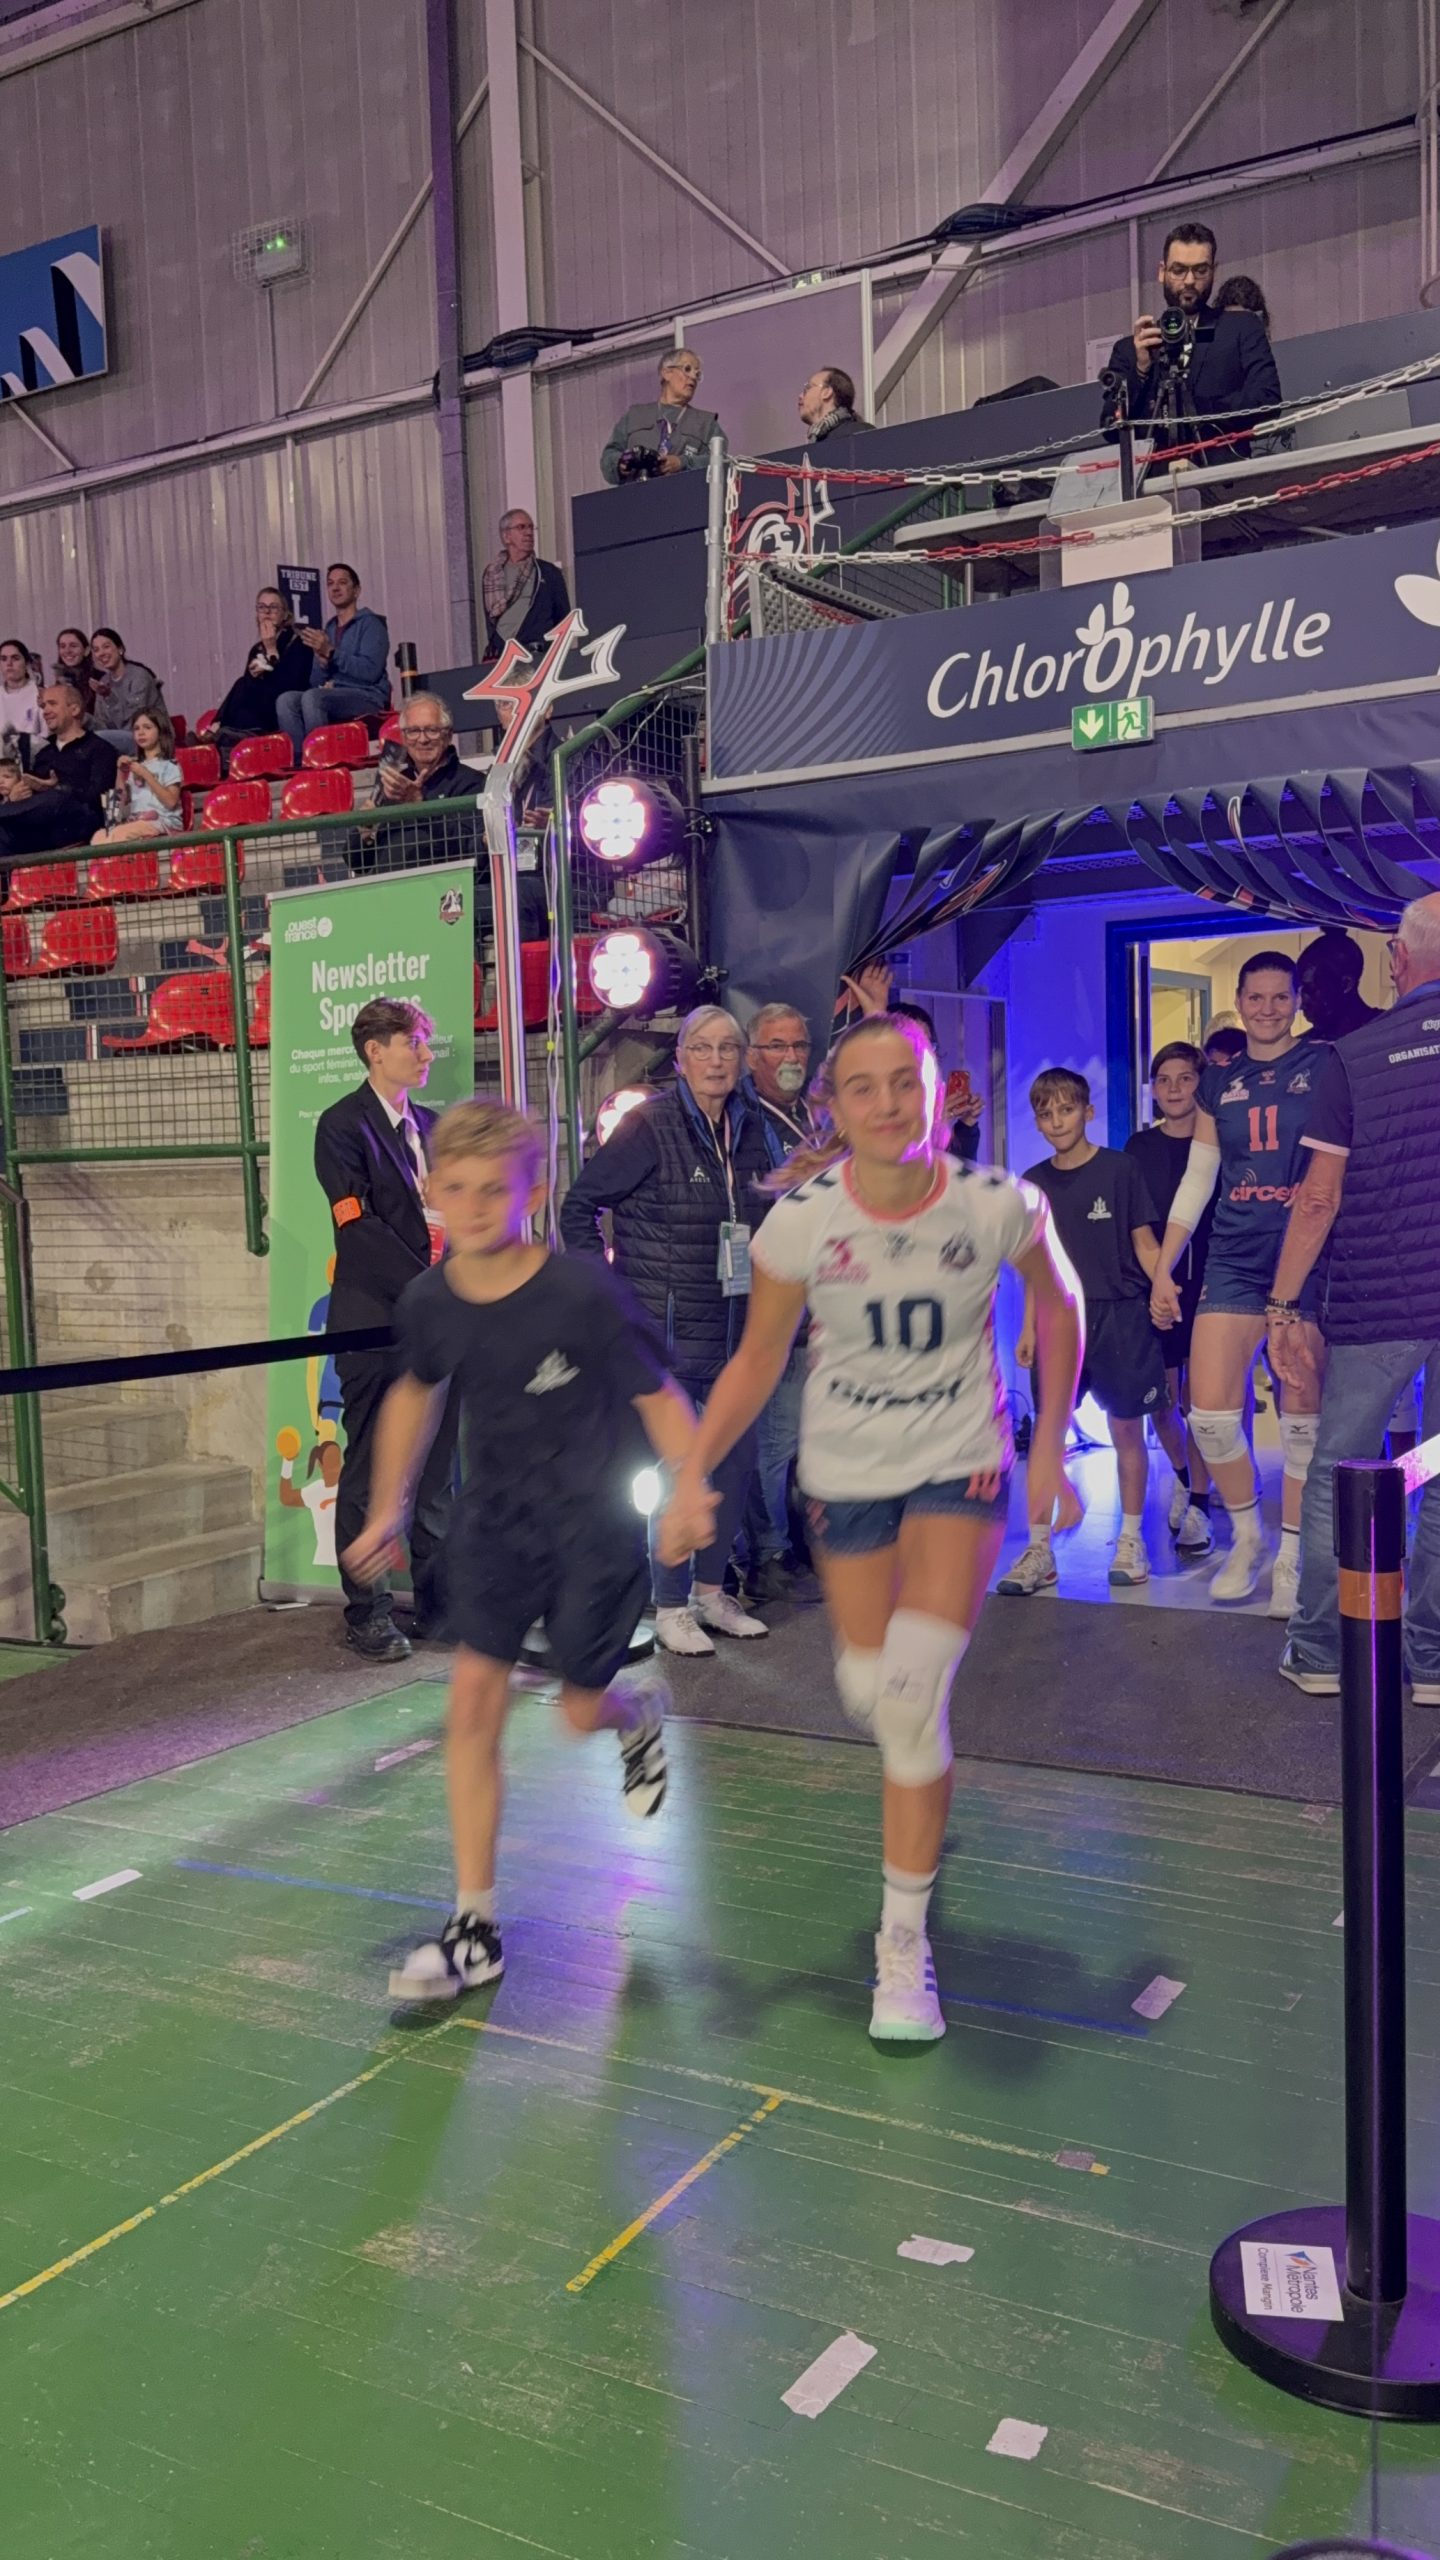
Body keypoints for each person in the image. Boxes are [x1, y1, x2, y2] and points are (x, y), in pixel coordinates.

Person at [659, 1014, 1082, 2043]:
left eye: (907, 1081)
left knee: (912, 1698)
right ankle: (893, 1747)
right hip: (846, 1472)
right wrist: (692, 1475)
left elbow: (1060, 1302)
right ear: (835, 1109)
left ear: (939, 1091)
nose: (889, 1102)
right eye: (864, 1087)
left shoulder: (999, 1201)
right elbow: (758, 1357)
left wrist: (1050, 1448)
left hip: (959, 1464)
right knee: (871, 1690)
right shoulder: (802, 1222)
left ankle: (903, 1945)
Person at [345, 1099, 692, 2000]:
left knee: (577, 1711)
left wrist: (692, 1488)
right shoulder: (430, 1299)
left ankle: (633, 1717)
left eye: (492, 1190)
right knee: (471, 1711)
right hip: (494, 1529)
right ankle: (475, 1926)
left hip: (592, 1533)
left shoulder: (583, 1293)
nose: (471, 1206)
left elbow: (659, 1397)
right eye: (455, 1188)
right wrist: (387, 1511)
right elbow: (414, 1394)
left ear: (530, 1194)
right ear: (432, 1189)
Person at [1264, 895, 1440, 1700]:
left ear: (1398, 961)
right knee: (1438, 1468)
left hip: (1378, 1304)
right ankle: (1431, 1659)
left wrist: (1282, 1307)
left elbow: (1317, 1199)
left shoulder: (1355, 1057)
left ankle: (1320, 1652)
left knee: (1341, 1469)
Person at [560, 1002, 772, 1656]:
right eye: (702, 1048)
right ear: (680, 1059)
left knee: (732, 1466)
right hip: (666, 1338)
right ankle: (671, 1604)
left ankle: (710, 1594)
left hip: (735, 1333)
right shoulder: (648, 1124)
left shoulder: (752, 1125)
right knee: (675, 1472)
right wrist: (609, 1294)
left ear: (742, 1061)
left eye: (728, 1049)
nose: (716, 1061)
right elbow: (578, 1208)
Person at [1149, 951, 1328, 1614]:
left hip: (1301, 1260)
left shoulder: (1323, 1066)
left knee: (1301, 1418)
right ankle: (1247, 1536)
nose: (1268, 1009)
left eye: (1281, 997)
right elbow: (1199, 1181)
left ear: (1297, 1000)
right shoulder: (1218, 1082)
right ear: (1241, 999)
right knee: (1211, 1416)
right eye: (1257, 997)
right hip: (1232, 1258)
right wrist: (1165, 1267)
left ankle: (1292, 1557)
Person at [313, 996, 457, 1661]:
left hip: (441, 1326)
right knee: (371, 1467)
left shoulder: (433, 1128)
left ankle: (439, 1606)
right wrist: (428, 1290)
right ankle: (366, 1613)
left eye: (425, 1042)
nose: (426, 1054)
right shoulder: (342, 1126)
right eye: (414, 1042)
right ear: (375, 1051)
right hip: (375, 1324)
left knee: (438, 1473)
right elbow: (358, 1228)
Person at [1000, 1068, 1172, 1595]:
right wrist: (1028, 1327)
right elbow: (1036, 1266)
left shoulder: (1121, 1170)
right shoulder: (1032, 1183)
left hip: (1120, 1314)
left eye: (1066, 1110)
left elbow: (1145, 1243)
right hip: (1057, 1320)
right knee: (1047, 1435)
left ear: (1087, 1112)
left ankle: (1130, 1539)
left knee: (1126, 1429)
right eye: (1046, 1114)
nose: (1057, 1122)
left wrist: (1164, 1286)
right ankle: (1039, 1549)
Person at [740, 1002, 819, 1600]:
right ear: (752, 1056)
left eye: (798, 1046)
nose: (790, 1057)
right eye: (776, 1046)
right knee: (775, 1441)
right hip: (775, 1305)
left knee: (809, 1439)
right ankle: (767, 1555)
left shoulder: (811, 1115)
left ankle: (800, 1544)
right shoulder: (743, 1120)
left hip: (823, 1304)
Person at [1124, 1041, 1216, 1555]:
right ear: (1153, 1089)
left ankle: (1201, 1503)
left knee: (1200, 1404)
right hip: (1155, 1285)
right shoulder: (1138, 1148)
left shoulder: (1219, 1143)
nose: (1175, 1088)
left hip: (1210, 1285)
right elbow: (1134, 1224)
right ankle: (1182, 1475)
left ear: (1202, 1084)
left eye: (1185, 1078)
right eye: (1164, 1080)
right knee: (1161, 1401)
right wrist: (1156, 1280)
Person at [1100, 220, 1282, 461]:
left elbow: (1268, 401)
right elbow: (1110, 426)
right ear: (1162, 271)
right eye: (1178, 270)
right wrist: (1140, 372)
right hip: (1154, 480)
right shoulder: (1129, 349)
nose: (1188, 280)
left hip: (1224, 477)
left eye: (1200, 271)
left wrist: (1195, 409)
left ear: (1214, 271)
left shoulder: (1241, 328)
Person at [276, 562, 391, 752]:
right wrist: (322, 664)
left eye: (342, 582)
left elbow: (370, 672)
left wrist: (331, 653)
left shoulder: (372, 625)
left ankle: (322, 757)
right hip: (336, 694)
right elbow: (315, 682)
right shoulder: (328, 629)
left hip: (368, 696)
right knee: (286, 700)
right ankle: (300, 760)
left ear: (356, 591)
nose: (335, 588)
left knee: (313, 698)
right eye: (330, 583)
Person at [0, 681, 119, 861]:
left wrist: (56, 787)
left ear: (74, 709)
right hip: (42, 827)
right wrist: (16, 796)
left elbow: (99, 796)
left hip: (78, 821)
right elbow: (32, 797)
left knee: (58, 796)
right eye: (43, 706)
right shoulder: (44, 753)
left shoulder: (100, 749)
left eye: (52, 704)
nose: (45, 711)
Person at [203, 589, 314, 765]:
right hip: (256, 711)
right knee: (243, 683)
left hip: (281, 710)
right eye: (262, 607)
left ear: (285, 615)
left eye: (273, 607)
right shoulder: (256, 649)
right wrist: (256, 674)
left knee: (243, 684)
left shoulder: (299, 644)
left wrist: (271, 651)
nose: (267, 612)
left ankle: (218, 729)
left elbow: (290, 687)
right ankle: (222, 731)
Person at [601, 348, 719, 485]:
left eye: (697, 374)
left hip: (683, 495)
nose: (693, 377)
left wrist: (682, 463)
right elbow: (608, 457)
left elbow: (721, 461)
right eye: (687, 369)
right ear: (667, 373)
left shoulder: (706, 423)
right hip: (636, 495)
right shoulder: (634, 416)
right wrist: (621, 463)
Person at [480, 511, 571, 659]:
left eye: (530, 527)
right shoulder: (491, 574)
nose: (528, 533)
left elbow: (563, 619)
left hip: (537, 654)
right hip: (502, 657)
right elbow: (491, 619)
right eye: (521, 527)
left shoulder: (548, 571)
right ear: (506, 536)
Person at [90, 707, 184, 842]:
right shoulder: (136, 766)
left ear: (160, 731)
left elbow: (171, 802)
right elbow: (119, 804)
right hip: (137, 822)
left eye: (147, 727)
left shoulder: (169, 765)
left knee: (120, 834)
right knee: (99, 836)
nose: (141, 733)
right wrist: (120, 772)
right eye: (136, 728)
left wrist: (145, 774)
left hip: (162, 823)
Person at [89, 627, 166, 753]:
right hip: (121, 741)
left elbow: (134, 722)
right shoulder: (104, 681)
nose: (101, 653)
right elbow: (101, 723)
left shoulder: (139, 676)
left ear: (120, 649)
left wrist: (109, 697)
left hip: (148, 737)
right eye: (96, 650)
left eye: (106, 647)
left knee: (96, 741)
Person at [1296, 930, 1383, 1041]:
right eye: (1298, 990)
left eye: (1310, 990)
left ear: (1346, 984)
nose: (1301, 1004)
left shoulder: (1388, 1032)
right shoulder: (1303, 1046)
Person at [0, 638, 43, 763]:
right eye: (3, 659)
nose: (9, 663)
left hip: (33, 762)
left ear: (27, 663)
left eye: (15, 658)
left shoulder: (40, 693)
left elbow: (47, 737)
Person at [798, 366, 869, 441]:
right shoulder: (816, 440)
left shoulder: (861, 434)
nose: (800, 396)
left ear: (826, 392)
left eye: (808, 388)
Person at [53, 627, 94, 705]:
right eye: (62, 646)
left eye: (73, 646)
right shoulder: (60, 680)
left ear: (86, 650)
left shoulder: (100, 679)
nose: (67, 651)